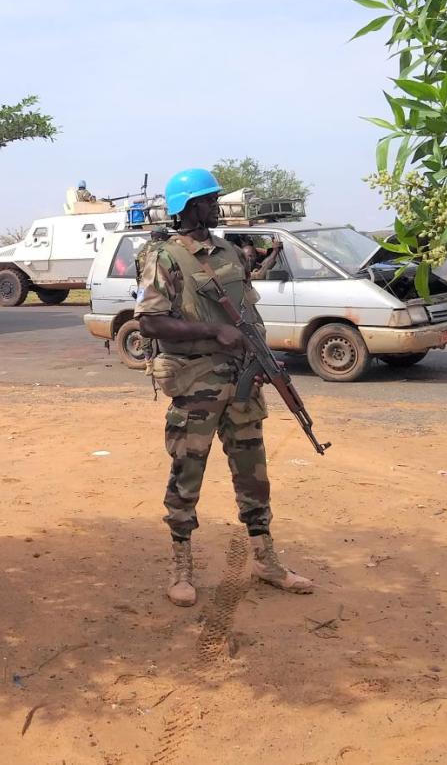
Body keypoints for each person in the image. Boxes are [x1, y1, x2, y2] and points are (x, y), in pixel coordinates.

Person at [135, 168, 314, 607]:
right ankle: (181, 567)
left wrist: (259, 354)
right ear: (188, 207)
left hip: (242, 380)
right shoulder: (165, 257)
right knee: (187, 474)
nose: (216, 206)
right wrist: (214, 332)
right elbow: (150, 322)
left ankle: (266, 559)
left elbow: (247, 309)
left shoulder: (231, 251)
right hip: (197, 381)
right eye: (209, 200)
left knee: (254, 473)